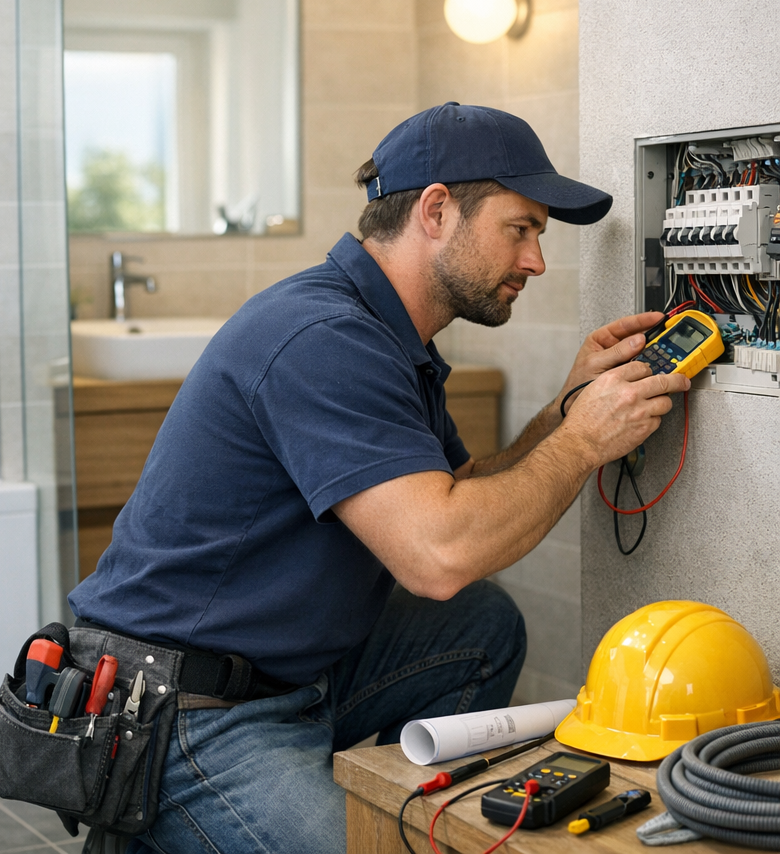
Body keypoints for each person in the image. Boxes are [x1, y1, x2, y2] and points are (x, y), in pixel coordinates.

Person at [68, 103, 689, 854]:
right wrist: (587, 443)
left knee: (479, 626)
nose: (535, 261)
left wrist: (566, 412)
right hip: (182, 711)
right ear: (435, 210)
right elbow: (438, 554)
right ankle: (175, 821)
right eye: (518, 229)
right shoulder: (324, 338)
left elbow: (459, 490)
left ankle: (360, 796)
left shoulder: (388, 336)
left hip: (292, 677)